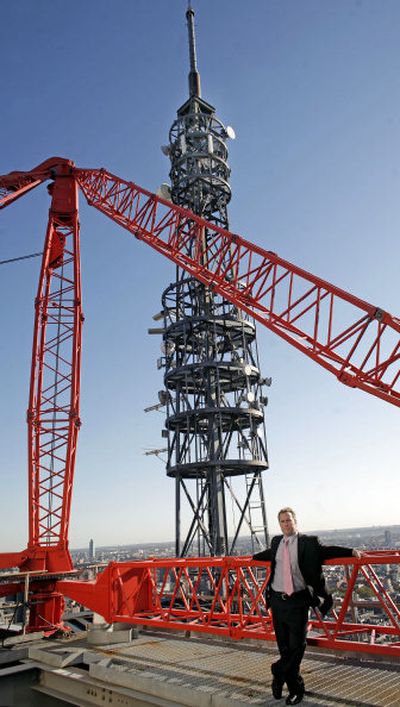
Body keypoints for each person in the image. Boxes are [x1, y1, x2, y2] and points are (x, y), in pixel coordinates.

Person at [252, 507, 362, 705]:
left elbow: (327, 551)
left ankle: (280, 672)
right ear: (280, 524)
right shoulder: (277, 541)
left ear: (295, 521)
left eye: (289, 520)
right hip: (277, 602)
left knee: (297, 645)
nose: (286, 524)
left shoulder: (308, 543)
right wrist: (254, 557)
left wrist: (351, 552)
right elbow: (271, 554)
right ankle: (293, 686)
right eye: (283, 521)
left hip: (298, 600)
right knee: (285, 648)